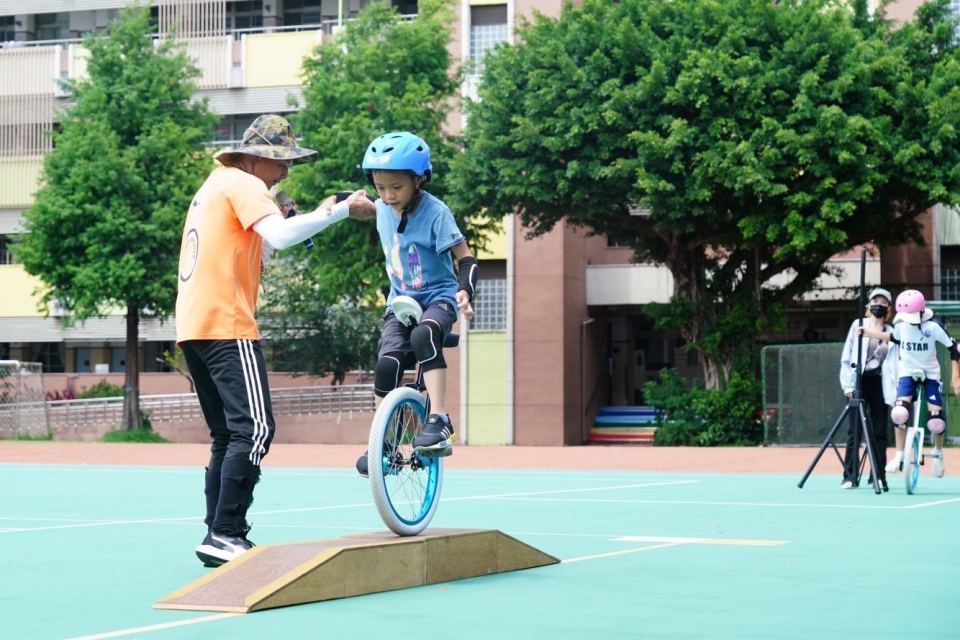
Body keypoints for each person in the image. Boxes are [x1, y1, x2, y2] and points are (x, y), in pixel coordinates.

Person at [176, 115, 376, 566]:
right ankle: (226, 531)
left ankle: (216, 533)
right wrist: (342, 210)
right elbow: (283, 239)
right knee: (256, 428)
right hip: (227, 323)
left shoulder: (214, 185)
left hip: (193, 324)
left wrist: (307, 215)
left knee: (227, 433)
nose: (285, 172)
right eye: (279, 161)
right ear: (253, 157)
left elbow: (258, 244)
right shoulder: (246, 184)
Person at [354, 132, 478, 476]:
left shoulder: (437, 213)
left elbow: (466, 259)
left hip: (439, 297)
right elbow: (354, 204)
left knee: (424, 337)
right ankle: (382, 444)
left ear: (419, 178)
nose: (388, 196)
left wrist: (465, 292)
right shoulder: (381, 207)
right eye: (380, 188)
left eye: (396, 187)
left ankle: (438, 418)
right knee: (387, 365)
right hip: (401, 302)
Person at [859, 289, 960, 480]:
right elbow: (893, 337)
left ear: (922, 311)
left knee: (936, 421)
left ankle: (938, 452)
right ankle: (899, 455)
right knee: (899, 413)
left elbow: (954, 348)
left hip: (930, 374)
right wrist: (868, 333)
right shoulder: (902, 325)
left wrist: (956, 377)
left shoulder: (934, 327)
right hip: (907, 372)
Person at [839, 288, 895, 491]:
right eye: (875, 301)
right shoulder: (858, 325)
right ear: (869, 305)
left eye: (883, 302)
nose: (878, 305)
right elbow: (847, 357)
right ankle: (849, 476)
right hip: (859, 382)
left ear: (888, 307)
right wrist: (848, 385)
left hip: (880, 383)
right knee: (855, 430)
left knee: (880, 431)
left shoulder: (892, 331)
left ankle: (877, 476)